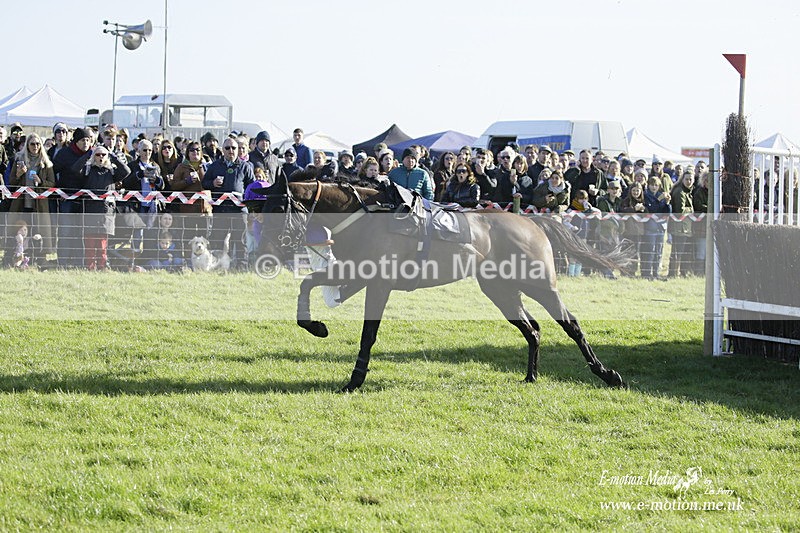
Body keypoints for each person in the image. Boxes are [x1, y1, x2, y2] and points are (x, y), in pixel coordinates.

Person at [73, 145, 131, 270]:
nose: (100, 157)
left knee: (102, 246)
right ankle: (89, 268)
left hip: (106, 212)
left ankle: (102, 268)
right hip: (90, 211)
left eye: (103, 155)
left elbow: (126, 171)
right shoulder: (88, 170)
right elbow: (74, 169)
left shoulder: (112, 172)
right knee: (90, 245)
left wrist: (113, 157)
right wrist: (88, 154)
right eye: (97, 155)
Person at [202, 136, 254, 268]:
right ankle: (216, 265)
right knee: (217, 239)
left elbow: (252, 186)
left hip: (239, 211)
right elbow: (204, 183)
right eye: (227, 148)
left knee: (240, 240)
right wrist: (213, 183)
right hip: (221, 210)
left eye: (234, 148)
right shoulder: (215, 166)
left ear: (238, 150)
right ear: (222, 150)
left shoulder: (245, 166)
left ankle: (241, 267)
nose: (231, 150)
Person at [52, 127, 93, 268]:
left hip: (86, 200)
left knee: (81, 232)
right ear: (76, 141)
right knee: (65, 230)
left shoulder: (94, 154)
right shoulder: (64, 154)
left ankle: (78, 262)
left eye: (88, 140)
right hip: (67, 198)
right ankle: (62, 262)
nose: (86, 143)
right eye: (83, 140)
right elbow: (52, 172)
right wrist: (58, 191)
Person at [9, 133, 56, 254]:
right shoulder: (19, 159)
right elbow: (11, 182)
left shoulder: (46, 162)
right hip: (22, 204)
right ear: (27, 146)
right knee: (21, 231)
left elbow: (52, 183)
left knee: (38, 232)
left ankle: (39, 257)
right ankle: (18, 256)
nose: (35, 146)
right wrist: (19, 174)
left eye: (38, 144)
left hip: (39, 205)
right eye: (32, 144)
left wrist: (41, 182)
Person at [171, 140, 211, 258]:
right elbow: (174, 185)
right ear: (188, 153)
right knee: (189, 237)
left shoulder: (206, 166)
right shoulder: (181, 167)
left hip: (204, 210)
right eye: (192, 150)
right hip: (188, 210)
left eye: (198, 150)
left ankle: (204, 261)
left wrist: (203, 169)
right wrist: (186, 181)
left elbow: (209, 184)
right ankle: (188, 260)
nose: (195, 152)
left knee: (204, 237)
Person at [642, 177, 671, 280]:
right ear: (648, 185)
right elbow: (651, 208)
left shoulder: (661, 195)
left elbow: (667, 212)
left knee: (658, 251)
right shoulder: (645, 196)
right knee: (650, 250)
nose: (654, 187)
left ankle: (656, 272)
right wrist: (659, 200)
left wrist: (667, 202)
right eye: (652, 185)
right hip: (650, 227)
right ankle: (647, 273)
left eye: (656, 185)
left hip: (660, 227)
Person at [667, 171, 695, 277]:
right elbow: (680, 211)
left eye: (690, 179)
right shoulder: (680, 192)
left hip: (685, 227)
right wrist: (691, 209)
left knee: (682, 252)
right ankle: (673, 273)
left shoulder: (687, 191)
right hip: (679, 228)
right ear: (682, 179)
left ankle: (680, 273)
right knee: (677, 252)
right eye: (687, 179)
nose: (689, 181)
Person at [594, 180, 624, 278]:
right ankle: (607, 273)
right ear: (608, 190)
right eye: (612, 189)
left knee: (615, 252)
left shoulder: (620, 201)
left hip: (616, 231)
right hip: (605, 231)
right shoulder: (603, 201)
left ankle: (610, 271)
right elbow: (602, 218)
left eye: (616, 189)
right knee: (605, 252)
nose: (614, 191)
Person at [620, 182, 647, 276]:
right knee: (626, 251)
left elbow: (648, 213)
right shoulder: (626, 201)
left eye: (638, 191)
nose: (636, 193)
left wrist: (644, 209)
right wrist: (634, 209)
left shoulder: (643, 201)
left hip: (639, 231)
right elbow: (622, 211)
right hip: (627, 231)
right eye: (634, 190)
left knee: (636, 252)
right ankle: (624, 270)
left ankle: (633, 271)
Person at [692, 171, 708, 275]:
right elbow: (698, 206)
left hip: (711, 227)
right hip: (701, 225)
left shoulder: (717, 192)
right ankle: (699, 272)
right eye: (707, 181)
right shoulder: (699, 192)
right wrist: (710, 208)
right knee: (701, 251)